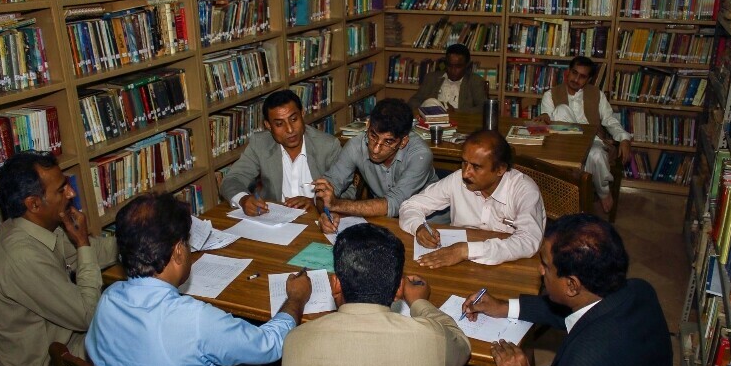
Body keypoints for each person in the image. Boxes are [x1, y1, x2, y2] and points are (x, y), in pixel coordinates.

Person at [85, 193, 312, 366]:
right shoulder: (195, 320)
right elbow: (269, 345)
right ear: (178, 252)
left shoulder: (108, 301)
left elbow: (148, 365)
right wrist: (295, 299)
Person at [458, 213, 680, 366]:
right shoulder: (640, 291)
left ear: (572, 285)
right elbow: (572, 314)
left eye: (545, 264)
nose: (540, 270)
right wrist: (505, 307)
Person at [281, 223, 471, 366]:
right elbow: (461, 347)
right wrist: (420, 303)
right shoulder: (429, 338)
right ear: (399, 288)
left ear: (335, 285)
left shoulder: (294, 341)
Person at [0, 151, 117, 366]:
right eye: (61, 189)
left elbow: (96, 251)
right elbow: (88, 314)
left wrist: (148, 239)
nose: (70, 194)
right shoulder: (22, 257)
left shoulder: (32, 226)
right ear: (34, 204)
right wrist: (82, 244)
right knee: (139, 332)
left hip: (64, 343)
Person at [399, 130, 545, 267]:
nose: (465, 174)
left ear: (500, 169)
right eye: (464, 163)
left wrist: (465, 250)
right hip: (459, 265)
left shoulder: (524, 190)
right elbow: (410, 206)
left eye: (476, 167)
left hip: (510, 266)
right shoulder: (457, 180)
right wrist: (418, 227)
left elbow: (528, 241)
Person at [314, 98, 438, 232]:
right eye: (373, 136)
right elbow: (327, 187)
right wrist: (325, 213)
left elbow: (393, 204)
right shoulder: (356, 145)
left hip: (430, 223)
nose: (375, 149)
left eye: (388, 142)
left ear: (403, 141)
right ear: (367, 125)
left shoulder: (420, 155)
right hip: (385, 221)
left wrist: (335, 205)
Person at [219, 89, 342, 216]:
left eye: (294, 119)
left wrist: (316, 202)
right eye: (279, 124)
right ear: (268, 125)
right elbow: (231, 180)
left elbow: (348, 193)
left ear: (302, 114)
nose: (289, 129)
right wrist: (243, 199)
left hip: (317, 219)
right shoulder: (260, 144)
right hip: (275, 221)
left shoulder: (327, 146)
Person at [537, 56, 632, 213]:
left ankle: (602, 192)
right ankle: (582, 192)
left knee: (596, 154)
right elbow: (546, 118)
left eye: (582, 76)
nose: (576, 79)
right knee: (561, 109)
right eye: (574, 73)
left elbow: (609, 120)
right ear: (567, 72)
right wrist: (545, 118)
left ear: (588, 79)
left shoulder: (597, 95)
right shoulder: (550, 95)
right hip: (563, 145)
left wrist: (624, 138)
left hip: (592, 142)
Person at [408, 43, 488, 114]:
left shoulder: (475, 81)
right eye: (449, 65)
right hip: (433, 122)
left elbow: (484, 108)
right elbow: (413, 102)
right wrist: (428, 108)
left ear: (467, 65)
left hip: (461, 123)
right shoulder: (432, 78)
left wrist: (456, 111)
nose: (453, 70)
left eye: (458, 66)